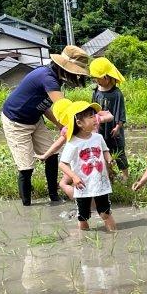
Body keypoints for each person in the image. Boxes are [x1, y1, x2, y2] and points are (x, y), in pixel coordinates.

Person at [1, 46, 89, 206]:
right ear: (64, 67)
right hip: (16, 120)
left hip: (35, 118)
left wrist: (59, 124)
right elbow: (65, 108)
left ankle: (53, 196)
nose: (76, 76)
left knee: (51, 154)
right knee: (26, 167)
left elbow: (45, 106)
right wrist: (78, 126)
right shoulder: (47, 77)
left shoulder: (55, 77)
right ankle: (26, 206)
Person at [57, 100, 116, 233]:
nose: (95, 118)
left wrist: (109, 158)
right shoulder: (73, 143)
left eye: (94, 115)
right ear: (79, 123)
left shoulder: (98, 137)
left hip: (100, 184)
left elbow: (105, 150)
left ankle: (114, 235)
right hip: (82, 186)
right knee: (83, 216)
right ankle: (83, 239)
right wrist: (74, 177)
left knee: (106, 213)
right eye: (90, 116)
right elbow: (62, 163)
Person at [89, 55, 129, 185]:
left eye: (98, 78)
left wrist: (118, 126)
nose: (96, 81)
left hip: (113, 128)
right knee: (103, 151)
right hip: (101, 128)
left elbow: (120, 111)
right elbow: (93, 109)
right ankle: (109, 174)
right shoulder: (96, 92)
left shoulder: (116, 93)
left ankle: (125, 175)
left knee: (119, 151)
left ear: (107, 77)